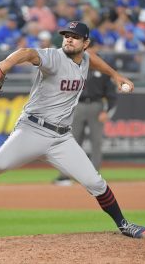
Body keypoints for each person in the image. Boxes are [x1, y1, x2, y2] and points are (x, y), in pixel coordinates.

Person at [0, 21, 145, 239]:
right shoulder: (53, 57)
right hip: (32, 130)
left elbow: (93, 59)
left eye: (75, 38)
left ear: (85, 43)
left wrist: (116, 75)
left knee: (96, 183)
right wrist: (4, 66)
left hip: (61, 139)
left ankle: (123, 224)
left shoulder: (85, 59)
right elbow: (27, 53)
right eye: (66, 36)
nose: (68, 40)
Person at [54, 40, 118, 186]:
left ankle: (93, 177)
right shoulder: (74, 63)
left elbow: (111, 95)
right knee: (71, 142)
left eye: (93, 47)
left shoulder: (102, 67)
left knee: (96, 142)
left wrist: (107, 112)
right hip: (78, 106)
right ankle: (65, 175)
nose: (91, 50)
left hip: (96, 106)